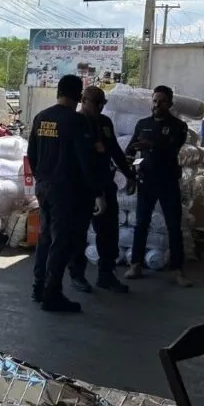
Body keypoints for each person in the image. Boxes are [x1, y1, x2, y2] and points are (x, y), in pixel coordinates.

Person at [27, 74, 106, 313]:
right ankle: (53, 294)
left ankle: (39, 286)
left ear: (58, 92)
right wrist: (97, 192)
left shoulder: (41, 118)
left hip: (45, 187)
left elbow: (32, 154)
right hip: (66, 191)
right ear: (79, 96)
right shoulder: (76, 121)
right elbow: (85, 160)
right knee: (62, 241)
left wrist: (41, 178)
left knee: (46, 237)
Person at [124, 85, 192, 287]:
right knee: (141, 223)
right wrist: (128, 172)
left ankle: (177, 270)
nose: (157, 105)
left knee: (173, 226)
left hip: (168, 182)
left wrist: (151, 145)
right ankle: (136, 264)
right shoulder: (142, 124)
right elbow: (131, 149)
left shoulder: (178, 126)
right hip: (146, 181)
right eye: (155, 101)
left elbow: (172, 149)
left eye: (162, 101)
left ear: (170, 104)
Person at [79, 86, 135, 293]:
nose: (101, 107)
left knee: (109, 232)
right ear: (83, 100)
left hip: (104, 184)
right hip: (82, 188)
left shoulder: (105, 123)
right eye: (96, 102)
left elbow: (115, 152)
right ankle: (78, 276)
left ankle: (106, 274)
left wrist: (129, 175)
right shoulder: (76, 123)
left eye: (103, 103)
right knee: (78, 234)